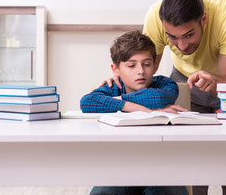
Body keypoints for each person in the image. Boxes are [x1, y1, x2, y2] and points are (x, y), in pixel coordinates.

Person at [104, 0, 226, 195]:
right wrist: (116, 84)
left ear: (204, 19)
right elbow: (142, 72)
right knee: (190, 163)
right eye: (172, 37)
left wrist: (215, 81)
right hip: (184, 78)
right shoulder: (155, 15)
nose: (182, 46)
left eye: (189, 35)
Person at [80, 30, 189, 195]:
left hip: (162, 166)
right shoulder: (112, 87)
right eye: (132, 65)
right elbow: (86, 102)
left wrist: (117, 100)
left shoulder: (164, 84)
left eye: (146, 64)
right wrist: (135, 107)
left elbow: (157, 99)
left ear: (154, 64)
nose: (140, 71)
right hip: (121, 166)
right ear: (115, 69)